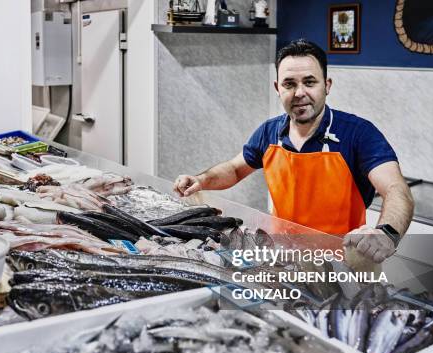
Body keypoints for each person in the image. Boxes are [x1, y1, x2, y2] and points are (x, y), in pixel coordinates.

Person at [173, 39, 414, 264]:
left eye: (309, 82)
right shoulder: (269, 132)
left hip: (343, 265)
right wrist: (201, 180)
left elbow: (396, 189)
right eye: (290, 84)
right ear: (278, 88)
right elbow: (235, 169)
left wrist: (387, 232)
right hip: (282, 260)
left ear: (326, 86)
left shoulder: (359, 134)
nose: (299, 93)